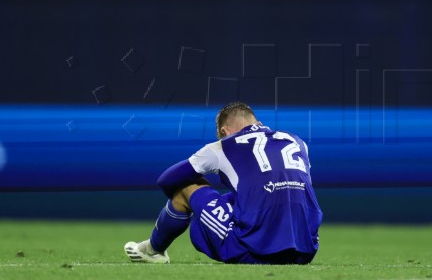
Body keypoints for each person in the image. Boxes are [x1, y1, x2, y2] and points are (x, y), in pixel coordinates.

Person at [125, 102, 323, 265]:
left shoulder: (223, 146)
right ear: (259, 123)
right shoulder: (297, 142)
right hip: (306, 249)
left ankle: (153, 250)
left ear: (224, 131)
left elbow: (166, 179)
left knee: (186, 187)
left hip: (255, 252)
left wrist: (196, 202)